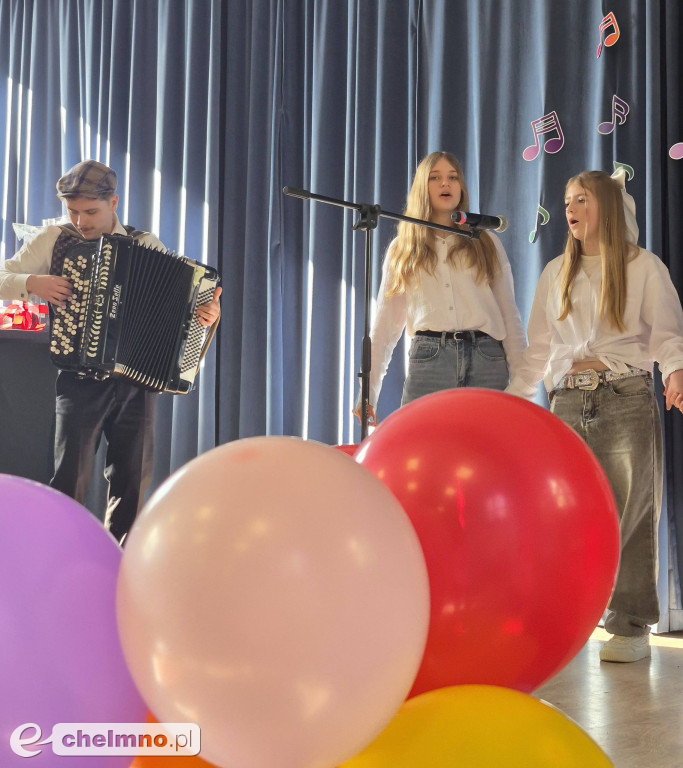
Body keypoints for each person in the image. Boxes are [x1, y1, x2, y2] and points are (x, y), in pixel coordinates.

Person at [507, 169, 683, 662]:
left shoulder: (643, 268)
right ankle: (561, 617)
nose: (571, 208)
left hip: (624, 396)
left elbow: (668, 334)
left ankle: (628, 625)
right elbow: (539, 349)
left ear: (606, 206)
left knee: (630, 512)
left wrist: (675, 372)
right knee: (561, 516)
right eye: (567, 200)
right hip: (566, 402)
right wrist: (514, 399)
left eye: (581, 199)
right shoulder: (553, 273)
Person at [0, 160, 222, 544]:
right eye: (73, 211)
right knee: (71, 475)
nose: (81, 221)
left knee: (132, 480)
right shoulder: (55, 238)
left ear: (114, 202)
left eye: (91, 211)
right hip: (78, 377)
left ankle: (122, 562)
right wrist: (32, 281)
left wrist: (208, 313)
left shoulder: (145, 244)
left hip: (136, 383)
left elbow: (182, 311)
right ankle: (60, 553)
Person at [354, 151, 526, 425]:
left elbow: (509, 314)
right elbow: (385, 327)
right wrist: (368, 394)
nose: (446, 184)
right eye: (436, 178)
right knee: (422, 448)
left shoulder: (486, 242)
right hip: (430, 360)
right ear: (423, 188)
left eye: (453, 178)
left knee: (487, 449)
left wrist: (522, 385)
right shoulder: (404, 249)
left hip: (486, 358)